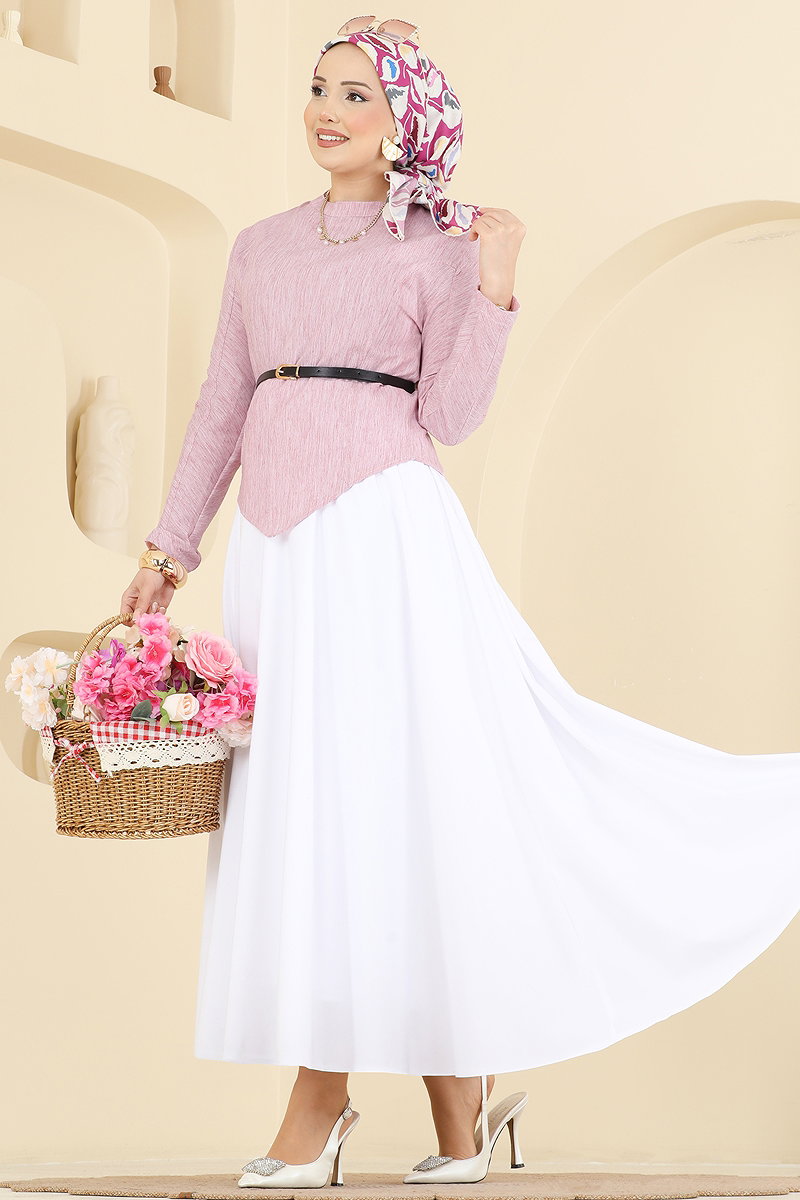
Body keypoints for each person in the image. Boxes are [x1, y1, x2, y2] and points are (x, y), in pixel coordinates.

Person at [120, 15, 800, 1191]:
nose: (327, 111)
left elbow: (451, 414)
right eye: (319, 88)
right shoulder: (259, 247)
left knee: (406, 799)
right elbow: (221, 403)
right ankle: (385, 1093)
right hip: (273, 555)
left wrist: (493, 282)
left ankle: (420, 1093)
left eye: (357, 95)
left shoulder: (439, 243)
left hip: (383, 540)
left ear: (406, 119)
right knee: (302, 810)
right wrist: (167, 551)